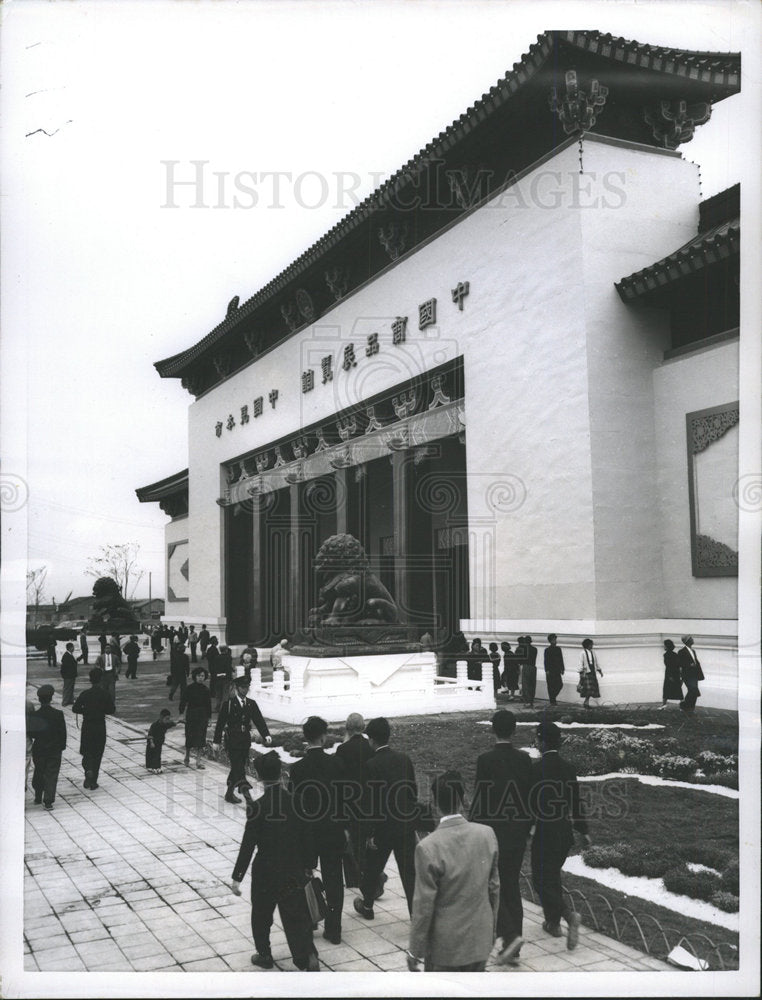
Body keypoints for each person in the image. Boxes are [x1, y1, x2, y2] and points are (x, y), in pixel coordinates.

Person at [231, 751, 319, 971]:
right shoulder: (297, 801)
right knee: (296, 914)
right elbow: (308, 836)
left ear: (259, 778)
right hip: (293, 868)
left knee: (261, 914)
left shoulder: (257, 808)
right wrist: (309, 865)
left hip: (266, 871)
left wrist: (237, 877)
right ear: (281, 774)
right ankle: (304, 955)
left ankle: (264, 954)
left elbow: (247, 845)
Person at [407, 770, 500, 973]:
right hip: (479, 941)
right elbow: (494, 890)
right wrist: (491, 933)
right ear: (463, 799)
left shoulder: (427, 847)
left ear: (433, 803)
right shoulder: (487, 834)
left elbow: (423, 905)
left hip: (446, 949)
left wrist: (415, 950)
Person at [469, 709, 532, 966]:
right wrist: (529, 826)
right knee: (511, 884)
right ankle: (512, 946)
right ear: (514, 730)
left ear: (493, 730)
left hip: (493, 832)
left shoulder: (485, 760)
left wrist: (473, 826)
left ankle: (509, 935)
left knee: (492, 885)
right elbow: (530, 796)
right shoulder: (524, 759)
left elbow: (480, 797)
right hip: (517, 831)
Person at [529, 721, 588, 949]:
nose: (535, 742)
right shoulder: (568, 769)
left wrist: (527, 829)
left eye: (537, 738)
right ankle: (552, 923)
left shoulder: (536, 770)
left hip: (545, 832)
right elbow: (575, 803)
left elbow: (530, 805)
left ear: (543, 742)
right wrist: (584, 831)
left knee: (540, 879)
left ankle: (568, 916)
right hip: (564, 832)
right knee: (551, 876)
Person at [288, 716, 346, 944]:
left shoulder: (298, 769)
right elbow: (343, 800)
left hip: (308, 833)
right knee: (334, 880)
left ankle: (309, 919)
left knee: (305, 877)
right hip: (332, 831)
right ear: (323, 737)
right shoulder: (336, 764)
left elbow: (295, 806)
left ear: (305, 738)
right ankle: (334, 929)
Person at [354, 717, 418, 919]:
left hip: (382, 828)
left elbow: (370, 803)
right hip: (405, 824)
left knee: (373, 868)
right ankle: (417, 917)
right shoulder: (404, 759)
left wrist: (369, 833)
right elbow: (412, 793)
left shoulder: (371, 765)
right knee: (410, 875)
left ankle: (367, 904)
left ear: (372, 740)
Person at [213, 675, 272, 803]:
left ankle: (229, 794)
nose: (245, 690)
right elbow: (220, 724)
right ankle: (248, 798)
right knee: (239, 768)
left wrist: (266, 734)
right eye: (243, 687)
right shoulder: (228, 704)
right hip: (232, 740)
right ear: (237, 688)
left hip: (245, 740)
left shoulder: (251, 704)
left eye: (247, 687)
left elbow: (259, 720)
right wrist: (216, 741)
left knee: (237, 767)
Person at [334, 712, 376, 893]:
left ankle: (357, 878)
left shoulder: (343, 750)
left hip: (350, 802)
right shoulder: (370, 747)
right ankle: (368, 875)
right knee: (364, 842)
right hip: (368, 801)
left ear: (347, 728)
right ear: (363, 727)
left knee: (351, 843)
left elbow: (339, 781)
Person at [72, 667, 115, 790]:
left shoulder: (85, 694)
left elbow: (75, 708)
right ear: (101, 679)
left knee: (87, 752)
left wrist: (85, 710)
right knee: (98, 753)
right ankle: (93, 780)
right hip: (100, 726)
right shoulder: (105, 694)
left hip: (87, 726)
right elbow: (111, 710)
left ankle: (88, 770)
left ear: (90, 679)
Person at [29, 684, 67, 810]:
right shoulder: (58, 714)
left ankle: (38, 796)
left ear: (39, 699)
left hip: (39, 748)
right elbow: (63, 732)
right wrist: (61, 746)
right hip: (54, 749)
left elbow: (32, 733)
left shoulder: (35, 715)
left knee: (39, 771)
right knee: (51, 774)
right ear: (51, 698)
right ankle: (48, 801)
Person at [180, 666, 212, 768]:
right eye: (198, 676)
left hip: (202, 715)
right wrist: (181, 714)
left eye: (202, 676)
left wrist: (209, 718)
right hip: (191, 714)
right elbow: (183, 702)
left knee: (201, 738)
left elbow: (208, 705)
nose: (201, 678)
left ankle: (198, 761)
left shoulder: (206, 690)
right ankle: (187, 757)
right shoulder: (189, 689)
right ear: (195, 676)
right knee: (189, 736)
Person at [678, 635, 705, 714]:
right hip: (687, 675)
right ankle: (684, 705)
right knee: (693, 689)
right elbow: (680, 663)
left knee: (694, 691)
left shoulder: (693, 651)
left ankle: (690, 708)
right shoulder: (681, 651)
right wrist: (689, 665)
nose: (693, 639)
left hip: (694, 674)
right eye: (691, 638)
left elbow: (696, 661)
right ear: (688, 641)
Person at [146, 708, 176, 773]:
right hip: (152, 742)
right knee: (151, 754)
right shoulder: (154, 725)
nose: (168, 720)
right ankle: (151, 767)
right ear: (161, 717)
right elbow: (150, 734)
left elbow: (173, 723)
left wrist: (179, 722)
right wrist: (151, 742)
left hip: (159, 742)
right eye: (166, 719)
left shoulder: (165, 724)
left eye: (168, 719)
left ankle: (158, 767)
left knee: (158, 755)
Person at [577, 638, 603, 709]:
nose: (592, 646)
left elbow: (596, 662)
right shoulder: (582, 653)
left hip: (592, 671)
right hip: (586, 672)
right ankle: (586, 702)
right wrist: (581, 672)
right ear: (587, 645)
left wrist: (599, 670)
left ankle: (586, 702)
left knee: (591, 689)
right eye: (591, 644)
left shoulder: (593, 652)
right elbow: (580, 662)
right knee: (588, 688)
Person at [95, 642, 120, 708]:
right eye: (106, 648)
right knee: (104, 690)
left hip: (111, 674)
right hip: (104, 675)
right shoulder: (100, 657)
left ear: (111, 649)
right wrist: (100, 669)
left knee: (112, 691)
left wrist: (117, 671)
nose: (108, 649)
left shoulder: (115, 657)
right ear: (104, 649)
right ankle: (104, 704)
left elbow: (118, 665)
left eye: (109, 648)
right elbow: (96, 664)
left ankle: (111, 704)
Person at [660, 639, 683, 708]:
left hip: (669, 674)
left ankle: (664, 704)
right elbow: (679, 665)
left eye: (664, 645)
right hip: (676, 674)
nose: (663, 646)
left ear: (667, 646)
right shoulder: (675, 654)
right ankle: (683, 705)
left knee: (666, 690)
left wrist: (670, 676)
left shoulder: (666, 655)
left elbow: (668, 665)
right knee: (678, 690)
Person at [544, 633, 565, 705]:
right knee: (551, 686)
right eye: (553, 640)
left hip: (557, 670)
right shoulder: (547, 650)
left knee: (560, 685)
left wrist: (562, 668)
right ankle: (552, 700)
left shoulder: (558, 649)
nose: (555, 641)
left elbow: (561, 659)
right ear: (550, 641)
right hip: (550, 670)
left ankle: (553, 697)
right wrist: (546, 670)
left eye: (555, 639)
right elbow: (546, 661)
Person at [215, 642, 234, 709]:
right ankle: (224, 707)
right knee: (225, 692)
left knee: (218, 693)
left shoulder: (217, 657)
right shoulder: (228, 657)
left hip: (218, 676)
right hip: (226, 676)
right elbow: (228, 667)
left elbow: (215, 667)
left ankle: (217, 706)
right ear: (226, 650)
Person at [520, 636, 538, 706]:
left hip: (526, 666)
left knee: (526, 684)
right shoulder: (535, 649)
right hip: (533, 667)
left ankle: (527, 701)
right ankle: (531, 700)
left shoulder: (523, 649)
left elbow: (522, 659)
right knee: (532, 684)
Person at [60, 642, 78, 707]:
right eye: (73, 647)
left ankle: (70, 700)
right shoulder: (66, 655)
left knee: (71, 688)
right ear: (70, 648)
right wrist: (64, 675)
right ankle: (64, 702)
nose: (74, 648)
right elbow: (64, 666)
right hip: (68, 675)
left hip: (71, 674)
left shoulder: (70, 655)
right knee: (67, 688)